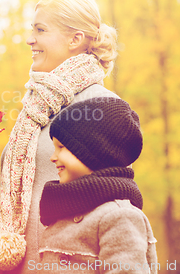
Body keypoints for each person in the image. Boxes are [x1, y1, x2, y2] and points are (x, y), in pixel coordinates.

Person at [0, 0, 120, 273]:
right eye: (32, 29)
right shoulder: (37, 107)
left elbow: (114, 208)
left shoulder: (103, 107)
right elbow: (14, 199)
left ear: (74, 39)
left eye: (40, 30)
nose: (30, 39)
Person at [37, 98, 158, 273]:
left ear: (93, 152)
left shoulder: (118, 216)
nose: (53, 157)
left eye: (61, 147)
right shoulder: (66, 212)